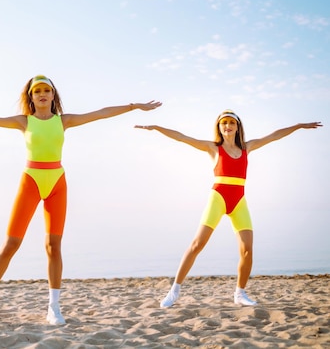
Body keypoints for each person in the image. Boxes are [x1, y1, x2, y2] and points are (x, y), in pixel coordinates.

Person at [0, 75, 161, 326]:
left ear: (53, 94)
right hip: (31, 181)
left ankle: (53, 307)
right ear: (31, 96)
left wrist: (134, 106)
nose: (42, 94)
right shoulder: (23, 122)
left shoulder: (64, 121)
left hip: (57, 182)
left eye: (47, 90)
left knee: (53, 246)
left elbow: (101, 113)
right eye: (37, 91)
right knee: (10, 245)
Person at [135, 110, 322, 308]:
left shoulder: (247, 148)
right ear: (219, 127)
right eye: (224, 123)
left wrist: (298, 126)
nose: (227, 126)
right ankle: (174, 291)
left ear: (237, 126)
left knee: (247, 250)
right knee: (197, 244)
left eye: (231, 122)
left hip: (239, 201)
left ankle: (240, 294)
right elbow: (182, 138)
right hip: (218, 198)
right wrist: (156, 128)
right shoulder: (212, 148)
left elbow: (274, 136)